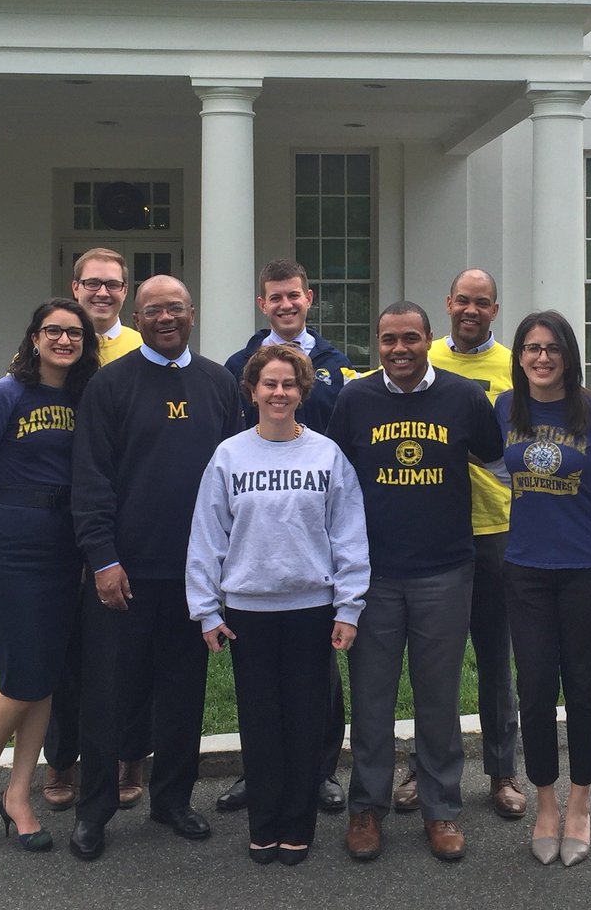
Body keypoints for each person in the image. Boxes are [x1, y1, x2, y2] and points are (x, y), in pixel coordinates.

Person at [69, 276, 242, 861]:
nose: (165, 318)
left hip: (194, 574)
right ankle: (94, 810)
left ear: (192, 313)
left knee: (182, 694)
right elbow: (91, 478)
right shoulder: (109, 384)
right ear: (137, 318)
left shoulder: (219, 384)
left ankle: (172, 800)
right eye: (152, 311)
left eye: (174, 309)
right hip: (123, 573)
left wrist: (224, 564)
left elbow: (234, 479)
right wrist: (103, 558)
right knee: (108, 696)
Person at [328, 301, 504, 863]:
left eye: (409, 338)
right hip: (373, 573)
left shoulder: (464, 397)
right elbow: (335, 477)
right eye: (388, 340)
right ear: (377, 343)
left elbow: (497, 459)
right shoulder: (355, 399)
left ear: (430, 339)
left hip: (445, 569)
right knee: (371, 697)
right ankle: (366, 807)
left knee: (438, 697)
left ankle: (440, 807)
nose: (399, 349)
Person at [187, 344, 370, 866]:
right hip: (248, 611)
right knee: (260, 722)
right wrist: (206, 609)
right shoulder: (229, 456)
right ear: (252, 391)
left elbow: (349, 534)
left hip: (312, 608)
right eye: (269, 383)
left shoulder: (326, 455)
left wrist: (349, 607)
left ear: (302, 392)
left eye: (289, 384)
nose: (279, 393)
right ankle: (263, 824)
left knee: (306, 721)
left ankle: (297, 824)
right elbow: (207, 536)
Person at [0, 298, 99, 851]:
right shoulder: (4, 395)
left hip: (66, 545)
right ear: (34, 338)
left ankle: (18, 795)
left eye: (74, 333)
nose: (64, 340)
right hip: (12, 545)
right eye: (53, 331)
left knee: (46, 679)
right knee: (22, 677)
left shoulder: (84, 398)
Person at [218, 258, 356, 815]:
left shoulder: (337, 366)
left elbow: (346, 437)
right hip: (258, 525)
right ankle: (258, 771)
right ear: (263, 304)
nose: (285, 304)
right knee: (257, 682)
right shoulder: (239, 364)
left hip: (315, 522)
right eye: (275, 297)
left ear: (308, 298)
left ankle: (320, 771)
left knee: (317, 676)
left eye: (293, 295)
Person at [393, 269, 525, 820]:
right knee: (432, 664)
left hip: (494, 529)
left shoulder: (514, 368)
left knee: (495, 657)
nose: (471, 310)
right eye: (463, 301)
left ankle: (502, 772)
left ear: (495, 309)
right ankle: (425, 766)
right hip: (433, 533)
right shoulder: (420, 358)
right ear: (448, 303)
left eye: (482, 303)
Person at [494, 310, 591, 868]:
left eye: (552, 348)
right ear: (519, 356)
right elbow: (490, 465)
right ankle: (545, 802)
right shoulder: (506, 408)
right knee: (536, 687)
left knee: (584, 686)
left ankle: (581, 803)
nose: (542, 357)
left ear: (569, 355)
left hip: (587, 567)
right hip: (525, 568)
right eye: (531, 348)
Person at [43, 247, 146, 812]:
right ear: (75, 285)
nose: (102, 292)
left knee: (129, 648)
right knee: (66, 648)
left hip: (125, 515)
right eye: (92, 283)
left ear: (125, 291)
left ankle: (131, 753)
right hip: (61, 518)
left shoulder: (141, 347)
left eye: (113, 284)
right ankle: (62, 759)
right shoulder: (57, 345)